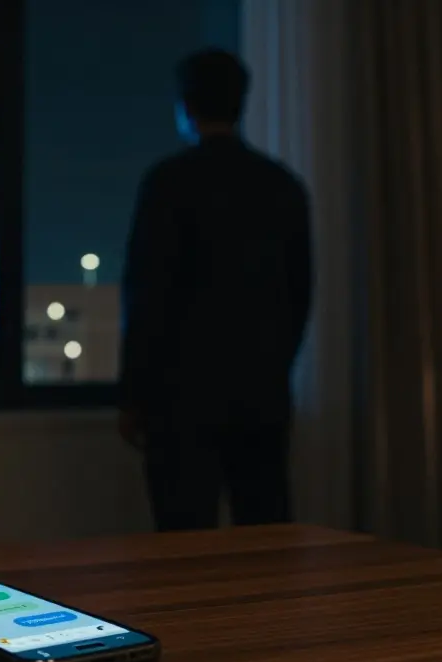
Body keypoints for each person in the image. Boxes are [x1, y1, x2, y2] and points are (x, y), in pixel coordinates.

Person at [118, 49, 312, 532]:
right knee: (265, 540)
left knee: (182, 546)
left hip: (180, 399)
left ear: (186, 106)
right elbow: (300, 295)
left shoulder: (168, 183)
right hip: (261, 394)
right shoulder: (281, 186)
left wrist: (133, 393)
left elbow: (146, 295)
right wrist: (274, 369)